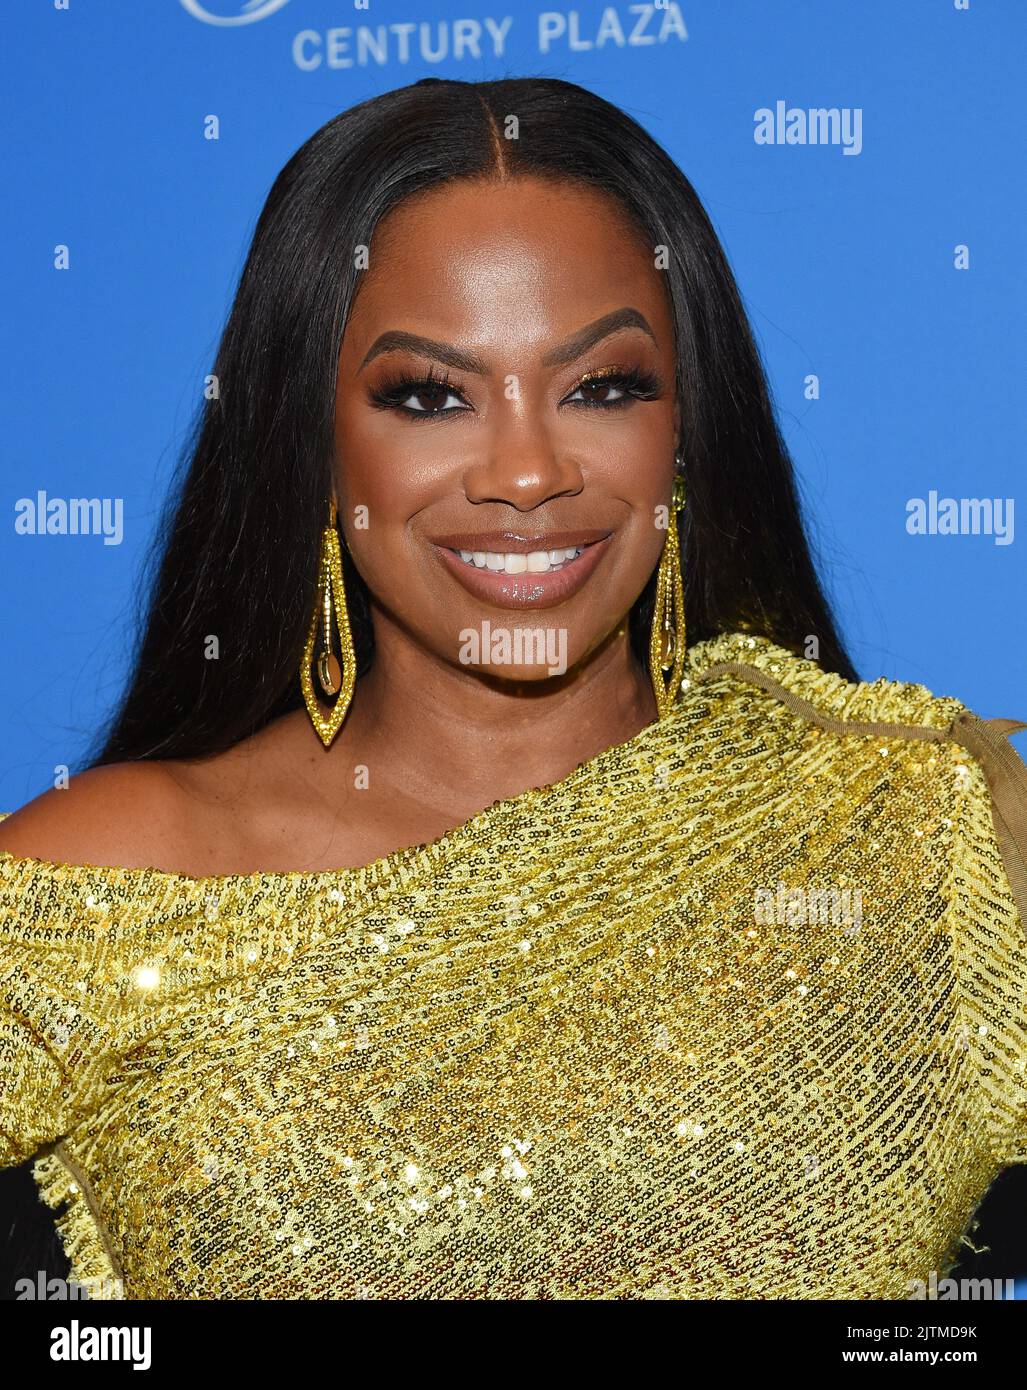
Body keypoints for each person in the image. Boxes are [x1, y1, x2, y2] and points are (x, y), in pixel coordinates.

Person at [1, 76, 1024, 1300]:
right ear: (312, 446)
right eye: (429, 396)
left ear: (684, 432)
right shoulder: (106, 886)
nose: (528, 472)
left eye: (602, 387)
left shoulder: (919, 831)